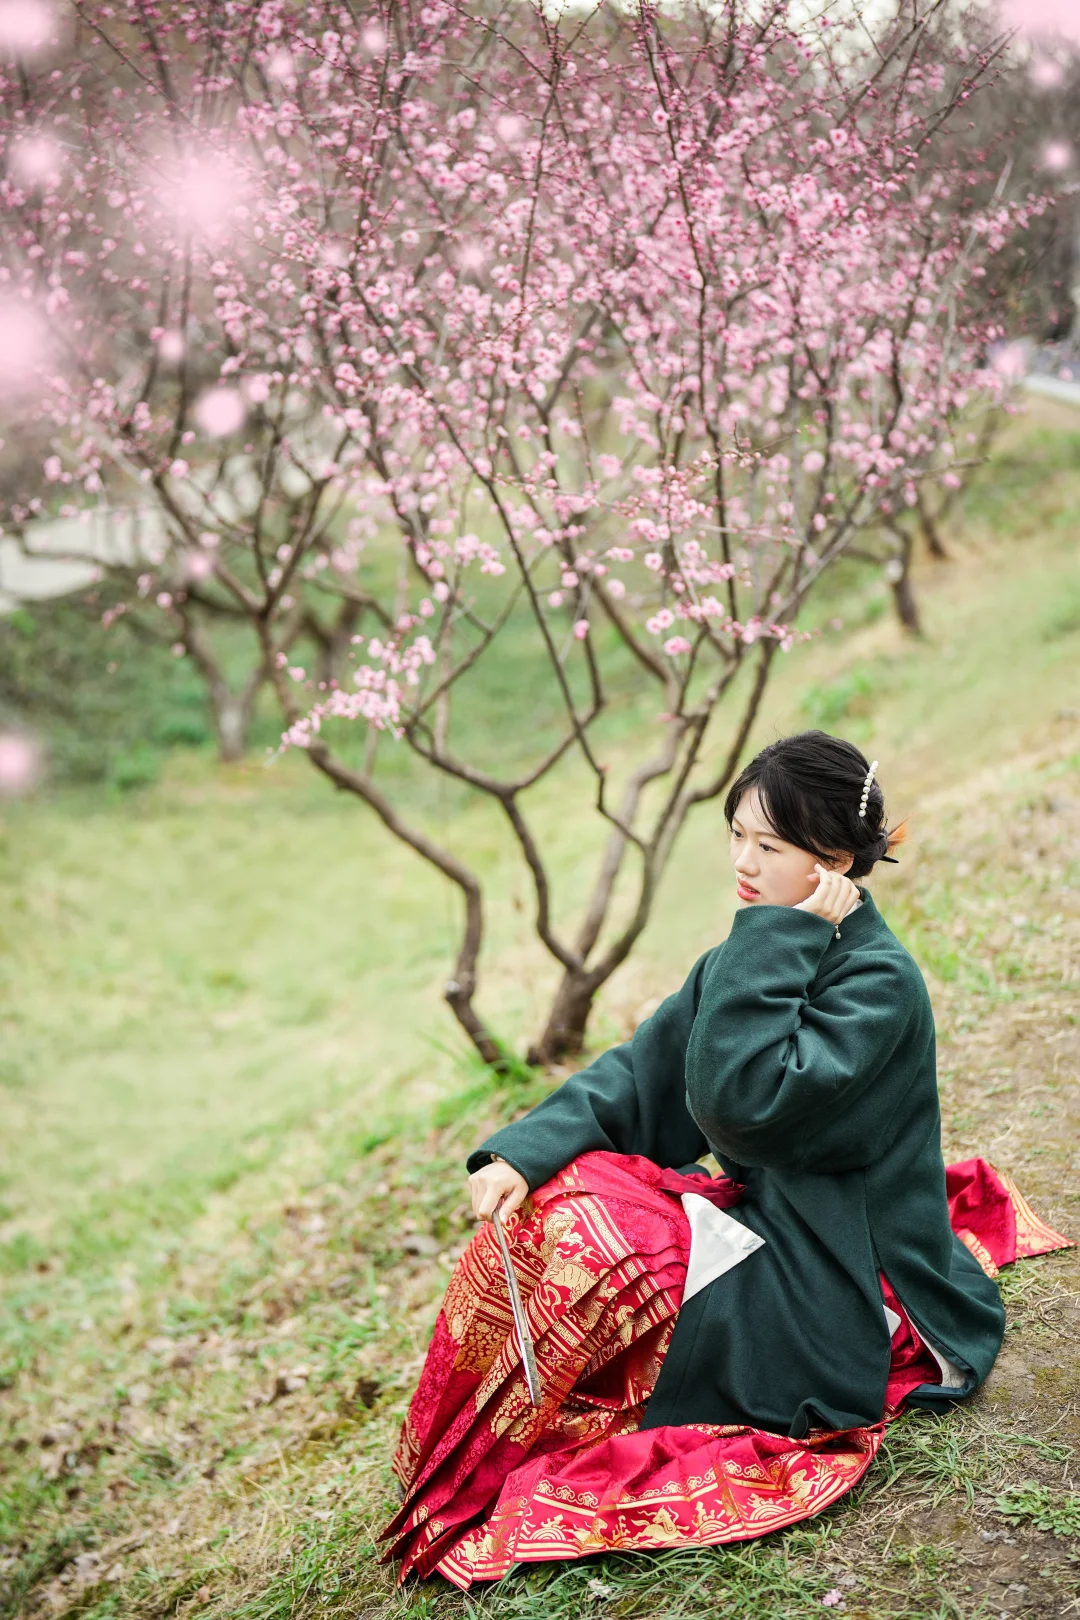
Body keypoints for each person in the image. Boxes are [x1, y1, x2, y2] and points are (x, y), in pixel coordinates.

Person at [382, 732, 1071, 1589]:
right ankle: (488, 1426)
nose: (743, 863)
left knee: (610, 1243)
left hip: (835, 1271)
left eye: (769, 846)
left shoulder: (879, 985)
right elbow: (648, 1070)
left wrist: (774, 943)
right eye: (736, 834)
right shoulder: (753, 953)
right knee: (567, 1192)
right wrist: (526, 1153)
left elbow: (742, 1103)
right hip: (768, 1221)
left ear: (832, 863)